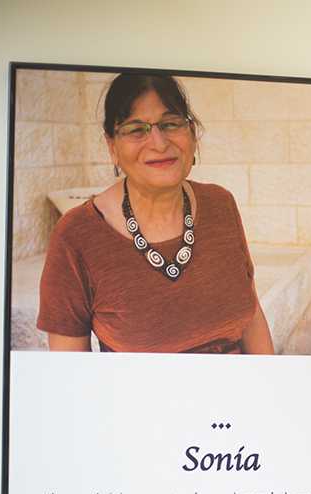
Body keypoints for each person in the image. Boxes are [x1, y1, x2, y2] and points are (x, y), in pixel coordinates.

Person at [38, 73, 274, 354]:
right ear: (112, 146)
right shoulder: (76, 235)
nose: (159, 143)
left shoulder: (221, 204)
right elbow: (69, 372)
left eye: (171, 123)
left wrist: (270, 390)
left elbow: (251, 317)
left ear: (192, 136)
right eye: (136, 129)